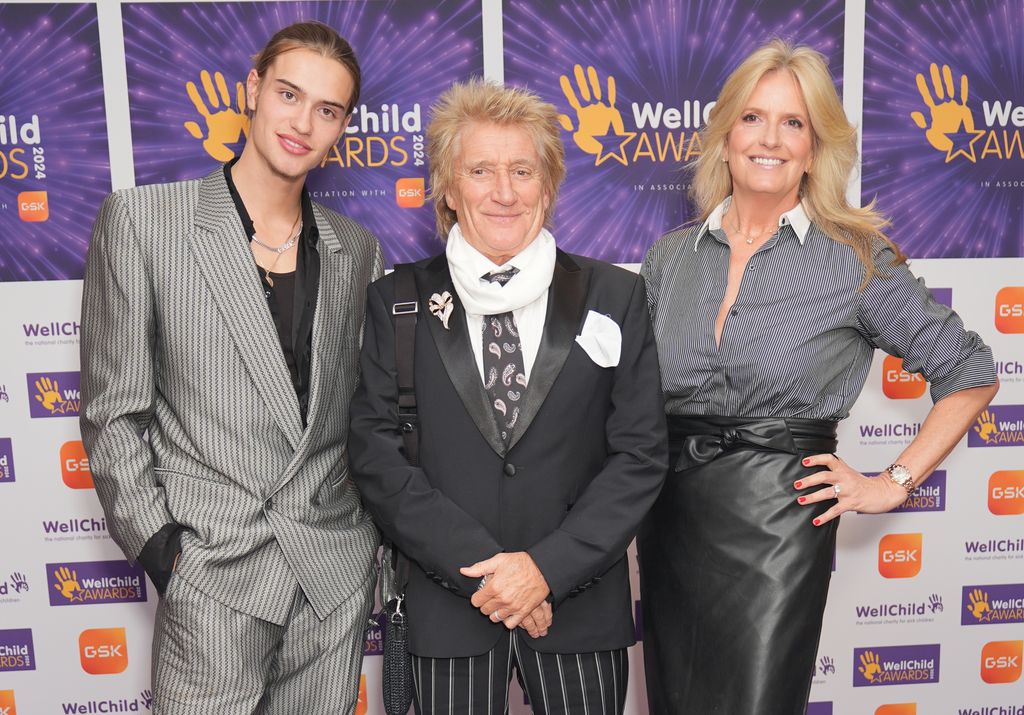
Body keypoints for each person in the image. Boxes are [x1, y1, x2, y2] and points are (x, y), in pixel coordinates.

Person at [638, 39, 998, 715]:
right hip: (670, 523)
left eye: (793, 123)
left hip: (778, 524)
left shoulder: (856, 259)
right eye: (752, 118)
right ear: (724, 136)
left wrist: (890, 483)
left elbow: (970, 370)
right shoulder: (669, 259)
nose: (769, 138)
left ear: (815, 146)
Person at [80, 22, 381, 714]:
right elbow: (111, 410)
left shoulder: (355, 249)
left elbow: (360, 418)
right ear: (251, 90)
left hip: (330, 581)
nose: (302, 123)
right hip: (213, 576)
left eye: (327, 110)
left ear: (342, 128)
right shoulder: (143, 221)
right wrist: (164, 550)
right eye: (288, 94)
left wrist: (368, 555)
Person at [348, 79, 667, 714]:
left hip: (576, 610)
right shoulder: (398, 302)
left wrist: (545, 571)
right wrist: (493, 573)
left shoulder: (614, 296)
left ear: (547, 189)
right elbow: (378, 458)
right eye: (481, 170)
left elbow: (639, 456)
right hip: (450, 612)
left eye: (523, 170)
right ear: (447, 187)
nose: (503, 191)